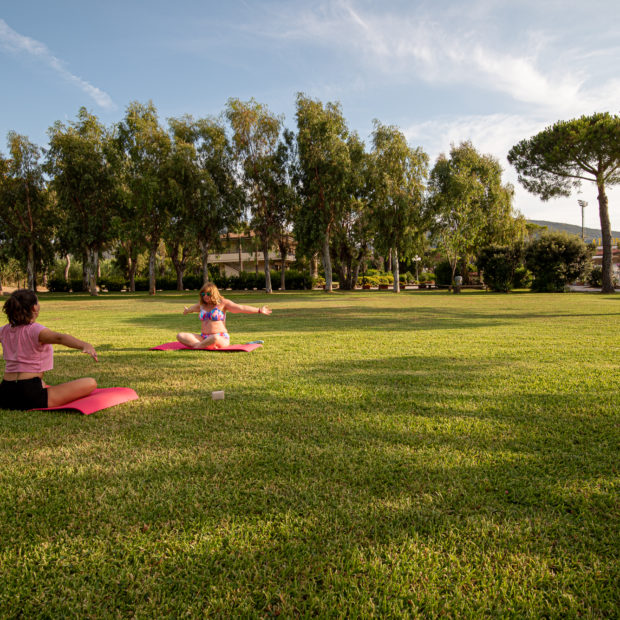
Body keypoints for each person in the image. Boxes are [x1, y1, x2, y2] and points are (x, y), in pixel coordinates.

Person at [0, 289, 98, 410]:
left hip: (5, 392)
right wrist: (85, 345)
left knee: (41, 383)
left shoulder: (3, 330)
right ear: (34, 308)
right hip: (30, 394)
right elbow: (60, 338)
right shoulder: (35, 330)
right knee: (91, 383)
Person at [177, 281, 272, 349]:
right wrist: (187, 311)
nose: (205, 296)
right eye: (203, 294)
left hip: (220, 337)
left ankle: (198, 346)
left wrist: (259, 310)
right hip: (203, 337)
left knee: (214, 338)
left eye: (208, 294)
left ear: (214, 293)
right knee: (180, 335)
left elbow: (241, 308)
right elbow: (191, 309)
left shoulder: (223, 303)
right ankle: (202, 345)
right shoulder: (201, 305)